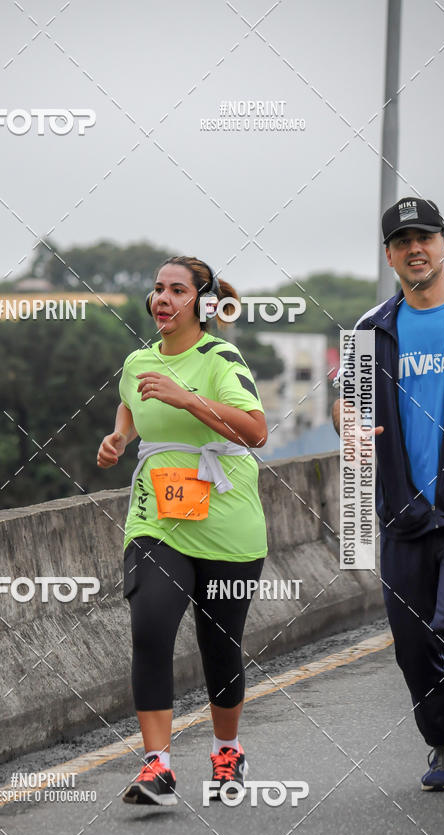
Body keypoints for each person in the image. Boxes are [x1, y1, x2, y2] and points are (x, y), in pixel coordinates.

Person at [97, 255, 268, 805]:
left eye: (176, 290)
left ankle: (227, 750)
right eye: (157, 290)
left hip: (226, 520)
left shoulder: (221, 356)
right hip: (158, 519)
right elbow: (130, 401)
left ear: (201, 301)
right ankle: (158, 767)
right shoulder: (138, 361)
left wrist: (188, 398)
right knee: (149, 627)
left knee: (219, 646)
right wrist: (119, 439)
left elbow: (256, 432)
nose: (163, 299)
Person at [332, 197, 444, 790]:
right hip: (403, 513)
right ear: (390, 256)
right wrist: (347, 423)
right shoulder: (371, 329)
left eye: (424, 237)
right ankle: (443, 741)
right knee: (411, 643)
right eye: (403, 242)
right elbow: (345, 404)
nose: (415, 249)